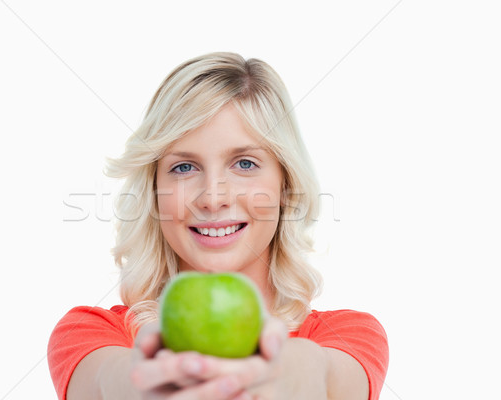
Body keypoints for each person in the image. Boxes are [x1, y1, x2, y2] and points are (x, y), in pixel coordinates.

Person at [48, 52, 389, 400]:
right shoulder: (91, 332)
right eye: (183, 168)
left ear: (286, 186)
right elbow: (106, 380)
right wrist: (141, 381)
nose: (212, 198)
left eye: (244, 163)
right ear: (154, 192)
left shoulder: (348, 335)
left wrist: (301, 367)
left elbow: (331, 375)